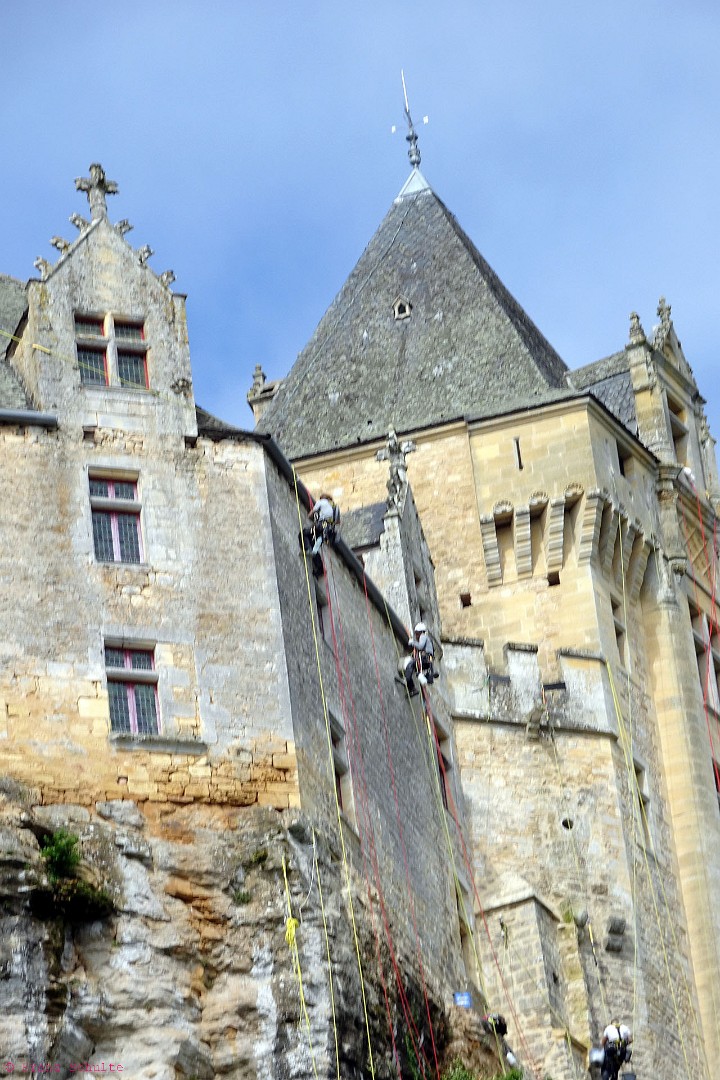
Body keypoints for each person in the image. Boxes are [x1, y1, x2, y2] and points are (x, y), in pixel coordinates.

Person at [402, 622, 437, 696]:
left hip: (424, 659)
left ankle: (412, 688)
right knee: (414, 669)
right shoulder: (428, 640)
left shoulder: (423, 636)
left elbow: (420, 646)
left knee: (409, 666)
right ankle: (416, 681)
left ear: (420, 632)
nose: (416, 636)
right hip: (427, 661)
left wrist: (412, 642)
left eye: (417, 634)